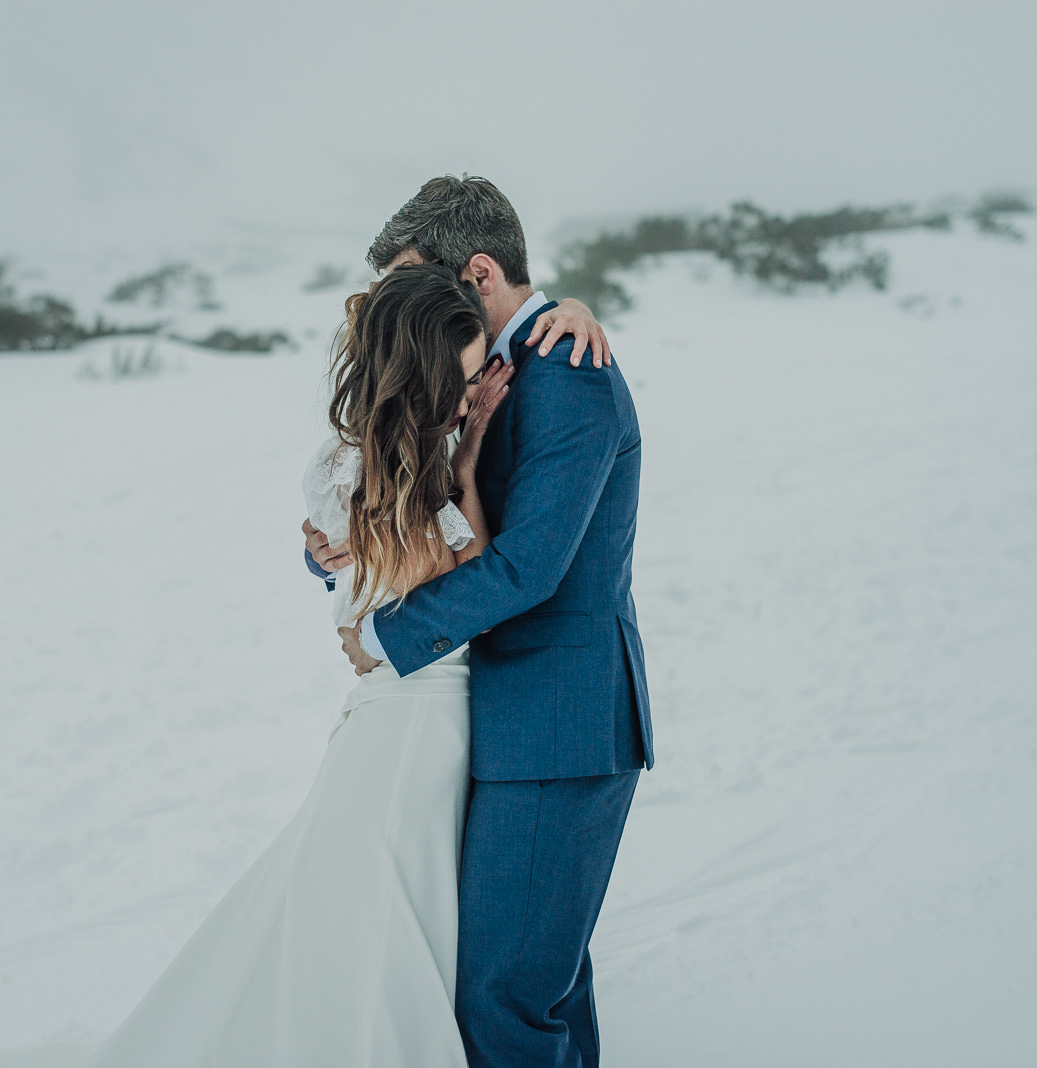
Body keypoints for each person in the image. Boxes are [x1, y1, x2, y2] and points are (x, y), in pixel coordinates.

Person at [79, 261, 609, 1066]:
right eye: (464, 379)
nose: (475, 394)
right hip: (410, 721)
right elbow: (451, 572)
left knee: (415, 916)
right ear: (426, 377)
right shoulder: (354, 462)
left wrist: (461, 469)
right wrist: (399, 522)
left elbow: (459, 565)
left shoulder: (425, 448)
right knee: (376, 917)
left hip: (448, 712)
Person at [306, 175, 653, 1067]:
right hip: (493, 720)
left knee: (503, 999)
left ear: (481, 270)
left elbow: (530, 566)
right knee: (533, 986)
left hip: (557, 721)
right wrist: (332, 547)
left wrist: (384, 639)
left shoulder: (567, 370)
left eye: (418, 280)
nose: (403, 306)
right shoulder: (463, 365)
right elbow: (388, 492)